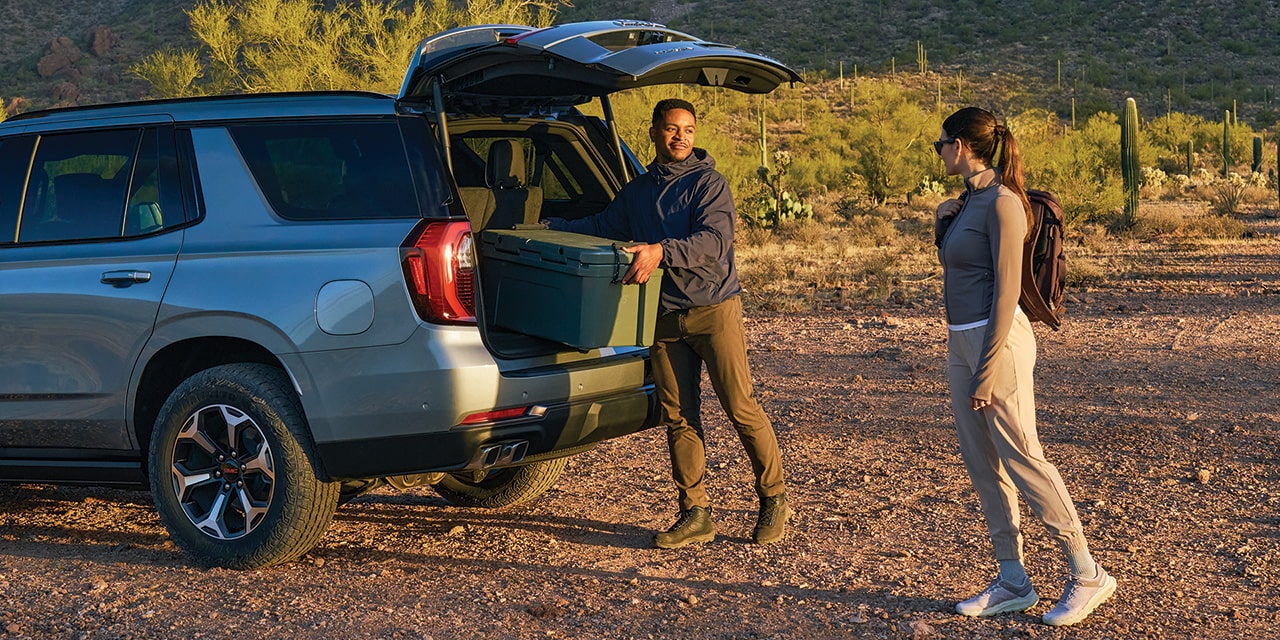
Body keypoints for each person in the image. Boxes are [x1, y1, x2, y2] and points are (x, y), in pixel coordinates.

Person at [542, 98, 790, 549]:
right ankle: (695, 513)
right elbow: (603, 224)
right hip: (662, 315)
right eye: (672, 129)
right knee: (679, 416)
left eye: (688, 130)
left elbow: (713, 243)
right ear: (654, 132)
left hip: (714, 310)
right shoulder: (638, 191)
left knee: (740, 406)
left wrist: (659, 251)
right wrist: (549, 226)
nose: (680, 137)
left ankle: (773, 498)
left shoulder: (709, 184)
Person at [934, 107, 1116, 626]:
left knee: (1025, 460)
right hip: (960, 341)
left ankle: (1087, 573)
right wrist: (942, 222)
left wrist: (988, 368)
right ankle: (1012, 578)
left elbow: (1007, 289)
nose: (940, 151)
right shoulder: (967, 201)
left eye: (941, 143)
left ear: (963, 146)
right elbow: (963, 271)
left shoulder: (1005, 204)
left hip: (1000, 344)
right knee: (983, 464)